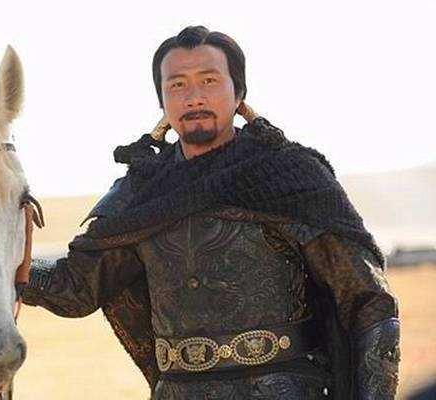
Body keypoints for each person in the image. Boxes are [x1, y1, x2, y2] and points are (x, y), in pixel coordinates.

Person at [22, 26, 400, 399]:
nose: (194, 97)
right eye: (177, 85)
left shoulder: (290, 176)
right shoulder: (141, 193)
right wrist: (4, 254)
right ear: (162, 102)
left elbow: (369, 304)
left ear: (239, 93)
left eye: (209, 81)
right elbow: (75, 288)